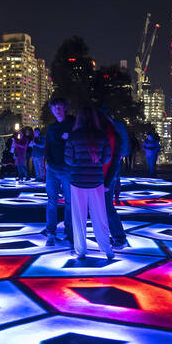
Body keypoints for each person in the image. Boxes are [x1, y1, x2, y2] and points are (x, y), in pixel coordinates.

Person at [65, 106, 114, 260]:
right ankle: (107, 249)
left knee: (78, 218)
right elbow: (106, 159)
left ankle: (80, 251)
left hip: (77, 180)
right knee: (100, 217)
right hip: (96, 180)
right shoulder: (101, 136)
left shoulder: (73, 136)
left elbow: (68, 160)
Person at [45, 97, 75, 246]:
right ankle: (51, 232)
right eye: (54, 108)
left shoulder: (73, 124)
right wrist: (49, 164)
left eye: (59, 107)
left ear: (65, 107)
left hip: (68, 169)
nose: (57, 111)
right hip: (52, 169)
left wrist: (69, 137)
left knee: (69, 202)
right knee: (52, 201)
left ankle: (68, 232)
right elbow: (48, 147)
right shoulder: (51, 128)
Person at [100, 107, 129, 249]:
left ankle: (120, 237)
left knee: (106, 207)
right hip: (108, 173)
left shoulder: (110, 131)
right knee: (105, 207)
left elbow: (117, 154)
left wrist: (110, 178)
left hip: (108, 174)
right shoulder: (114, 128)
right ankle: (116, 237)